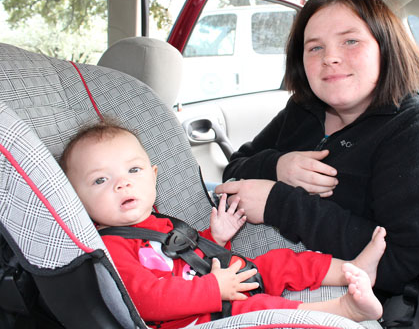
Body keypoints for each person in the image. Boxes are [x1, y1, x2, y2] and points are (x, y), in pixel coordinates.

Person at [216, 0, 419, 298]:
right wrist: (277, 166)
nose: (331, 58)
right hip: (249, 268)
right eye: (315, 47)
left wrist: (278, 203)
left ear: (385, 47)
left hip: (339, 297)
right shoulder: (304, 107)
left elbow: (397, 262)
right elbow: (233, 170)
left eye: (350, 41)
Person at [59, 121, 387, 329]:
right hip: (195, 316)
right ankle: (345, 310)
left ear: (154, 176)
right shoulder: (113, 246)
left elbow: (185, 258)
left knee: (278, 262)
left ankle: (352, 268)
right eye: (101, 179)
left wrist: (215, 238)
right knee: (261, 305)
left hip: (217, 282)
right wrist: (214, 288)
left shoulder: (158, 222)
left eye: (133, 171)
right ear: (78, 199)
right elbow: (147, 300)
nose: (122, 184)